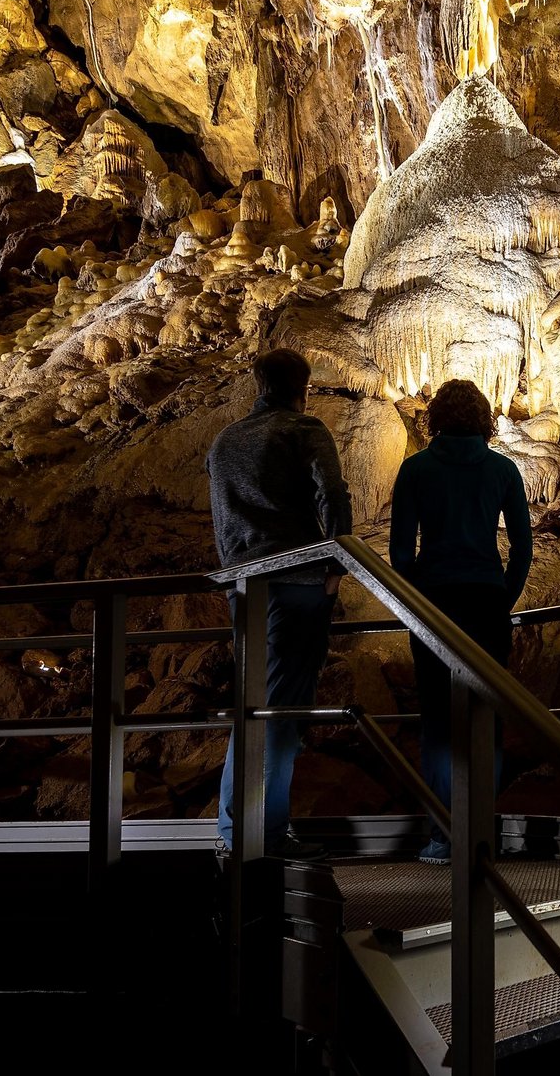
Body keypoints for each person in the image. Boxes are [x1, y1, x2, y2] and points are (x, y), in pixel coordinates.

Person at [208, 347, 352, 862]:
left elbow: (223, 520)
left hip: (242, 587)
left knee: (255, 704)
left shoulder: (224, 442)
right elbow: (332, 494)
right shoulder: (303, 429)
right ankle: (253, 835)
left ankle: (247, 827)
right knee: (281, 709)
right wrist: (336, 565)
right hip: (295, 579)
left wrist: (233, 577)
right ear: (302, 387)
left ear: (257, 383)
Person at [388, 378, 533, 865]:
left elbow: (401, 551)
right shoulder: (503, 470)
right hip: (487, 601)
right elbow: (522, 549)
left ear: (437, 420)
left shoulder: (415, 470)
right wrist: (503, 597)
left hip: (434, 601)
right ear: (482, 419)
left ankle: (442, 834)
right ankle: (478, 829)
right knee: (485, 718)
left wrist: (415, 601)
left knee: (438, 721)